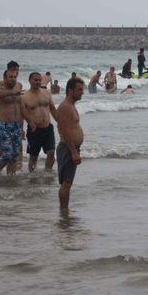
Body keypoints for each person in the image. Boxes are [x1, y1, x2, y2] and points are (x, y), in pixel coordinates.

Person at [22, 72, 59, 172]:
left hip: (48, 128)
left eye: (39, 80)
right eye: (35, 80)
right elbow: (22, 115)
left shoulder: (46, 93)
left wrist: (60, 122)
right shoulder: (25, 97)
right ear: (29, 81)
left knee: (51, 153)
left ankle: (47, 174)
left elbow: (53, 109)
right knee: (34, 156)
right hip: (34, 131)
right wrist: (21, 130)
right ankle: (32, 176)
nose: (38, 82)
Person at [57, 77, 85, 210]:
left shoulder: (71, 105)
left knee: (68, 182)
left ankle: (65, 211)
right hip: (68, 148)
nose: (82, 92)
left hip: (72, 148)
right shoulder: (65, 107)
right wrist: (73, 152)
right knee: (66, 183)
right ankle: (64, 212)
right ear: (70, 90)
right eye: (79, 90)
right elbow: (64, 130)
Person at [0, 69, 24, 175]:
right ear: (5, 78)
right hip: (3, 125)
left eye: (15, 77)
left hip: (16, 125)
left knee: (15, 156)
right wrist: (14, 92)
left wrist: (26, 124)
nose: (13, 79)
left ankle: (11, 177)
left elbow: (21, 108)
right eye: (10, 77)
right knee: (7, 154)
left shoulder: (18, 88)